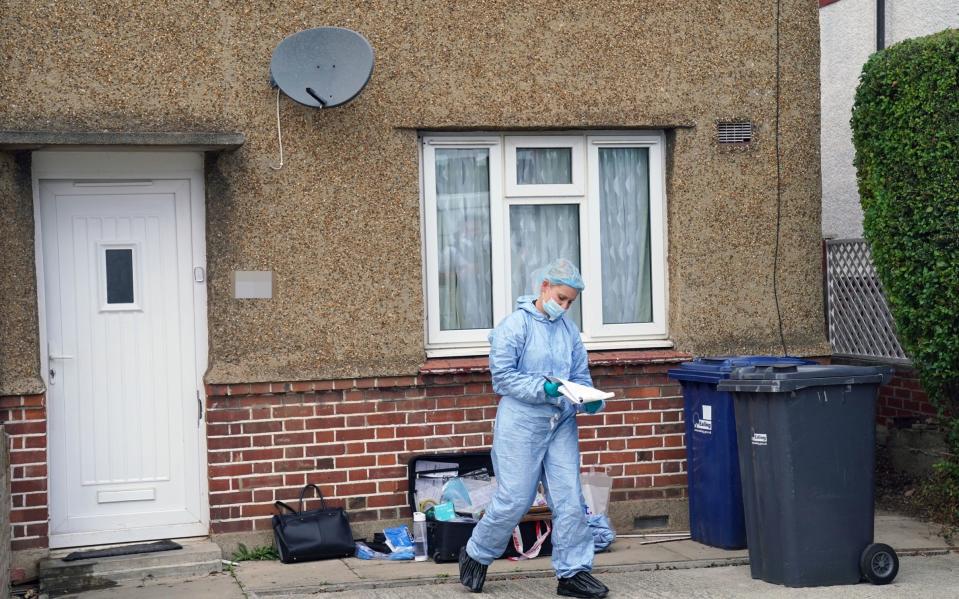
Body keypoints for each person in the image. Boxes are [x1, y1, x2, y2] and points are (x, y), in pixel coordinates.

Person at [459, 258, 610, 599]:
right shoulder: (515, 326)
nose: (566, 306)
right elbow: (503, 378)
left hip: (560, 424)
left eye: (571, 301)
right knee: (515, 499)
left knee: (570, 500)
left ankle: (573, 573)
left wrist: (589, 399)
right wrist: (545, 388)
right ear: (543, 287)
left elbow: (580, 377)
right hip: (521, 425)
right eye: (561, 298)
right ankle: (476, 553)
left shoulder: (569, 331)